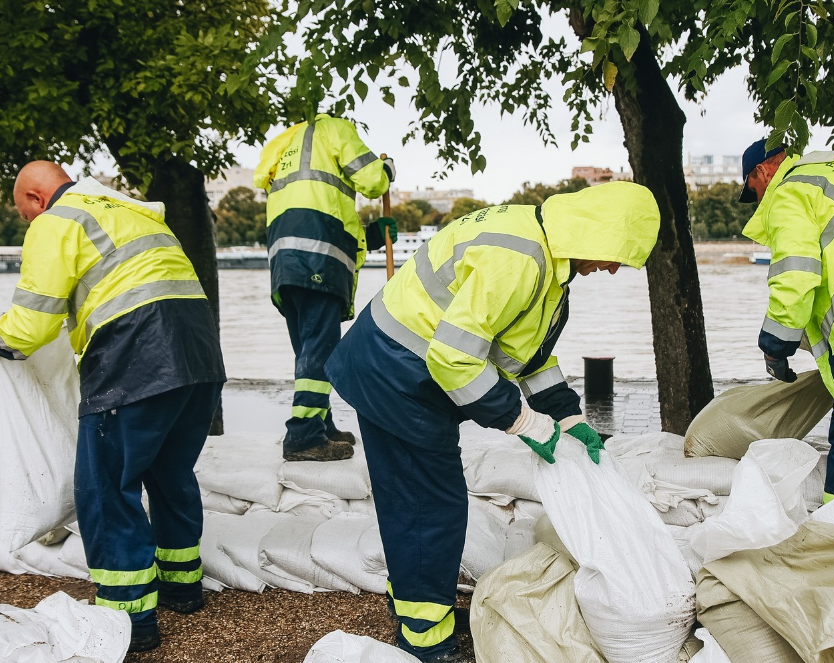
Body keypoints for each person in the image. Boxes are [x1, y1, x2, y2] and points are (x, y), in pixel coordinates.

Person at [326, 182, 661, 662]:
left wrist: (566, 417)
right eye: (614, 256)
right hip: (392, 371)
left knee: (424, 501)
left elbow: (527, 356)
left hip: (409, 370)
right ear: (594, 232)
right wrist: (524, 423)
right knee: (427, 506)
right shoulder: (520, 259)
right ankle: (426, 639)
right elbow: (455, 357)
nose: (610, 269)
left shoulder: (548, 264)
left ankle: (422, 608)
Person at [0, 162, 226, 652]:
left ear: (37, 200)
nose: (28, 224)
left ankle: (131, 617)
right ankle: (182, 587)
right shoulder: (133, 211)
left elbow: (30, 326)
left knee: (105, 486)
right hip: (200, 355)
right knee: (171, 473)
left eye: (24, 215)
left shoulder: (57, 221)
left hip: (136, 357)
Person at [739, 138, 834, 502]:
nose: (757, 201)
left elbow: (796, 276)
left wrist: (775, 348)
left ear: (762, 171)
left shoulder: (791, 192)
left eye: (753, 191)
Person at [254, 114, 397, 462]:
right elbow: (373, 180)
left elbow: (317, 209)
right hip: (318, 255)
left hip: (286, 259)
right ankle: (303, 437)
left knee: (308, 347)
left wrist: (372, 236)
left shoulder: (285, 145)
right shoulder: (336, 129)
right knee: (320, 349)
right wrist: (388, 170)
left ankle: (321, 424)